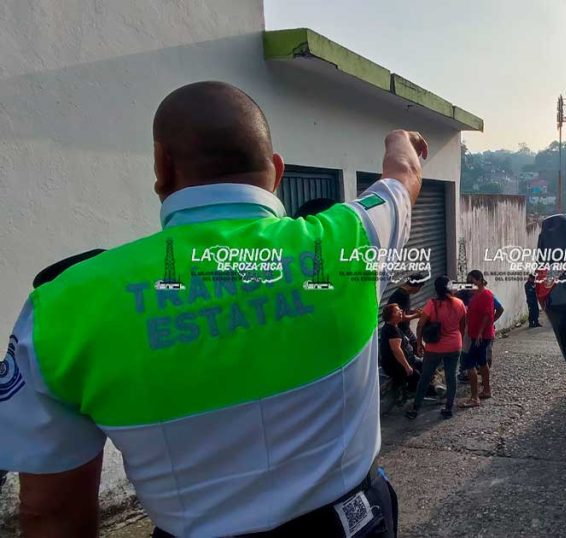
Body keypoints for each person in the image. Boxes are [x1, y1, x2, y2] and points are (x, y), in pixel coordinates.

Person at [0, 81, 428, 537]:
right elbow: (402, 178)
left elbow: (52, 513)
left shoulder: (63, 307)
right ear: (277, 170)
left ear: (162, 165)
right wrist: (400, 139)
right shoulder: (351, 240)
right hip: (351, 523)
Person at [408, 276, 466, 420]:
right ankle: (448, 408)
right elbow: (463, 324)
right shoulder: (459, 303)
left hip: (435, 347)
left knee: (425, 377)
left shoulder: (432, 304)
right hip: (454, 345)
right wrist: (459, 338)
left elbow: (421, 324)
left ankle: (415, 408)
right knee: (451, 376)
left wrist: (419, 342)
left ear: (436, 288)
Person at [461, 270, 495, 408]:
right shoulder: (475, 294)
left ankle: (474, 397)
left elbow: (488, 315)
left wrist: (480, 332)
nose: (470, 284)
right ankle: (486, 390)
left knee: (470, 363)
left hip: (481, 336)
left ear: (480, 280)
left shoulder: (486, 295)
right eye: (468, 282)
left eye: (472, 281)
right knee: (482, 361)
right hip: (475, 334)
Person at [380, 304, 421, 393]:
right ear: (391, 315)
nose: (401, 312)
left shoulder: (393, 326)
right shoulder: (392, 331)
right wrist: (407, 367)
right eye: (397, 311)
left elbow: (404, 317)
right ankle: (432, 392)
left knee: (424, 364)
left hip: (409, 359)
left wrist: (414, 313)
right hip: (396, 365)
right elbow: (396, 350)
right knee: (417, 377)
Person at [387, 274, 426, 344]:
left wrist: (413, 311)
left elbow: (403, 312)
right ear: (417, 287)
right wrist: (416, 315)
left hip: (404, 329)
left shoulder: (402, 293)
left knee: (417, 346)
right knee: (411, 351)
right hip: (399, 332)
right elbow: (400, 318)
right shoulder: (403, 295)